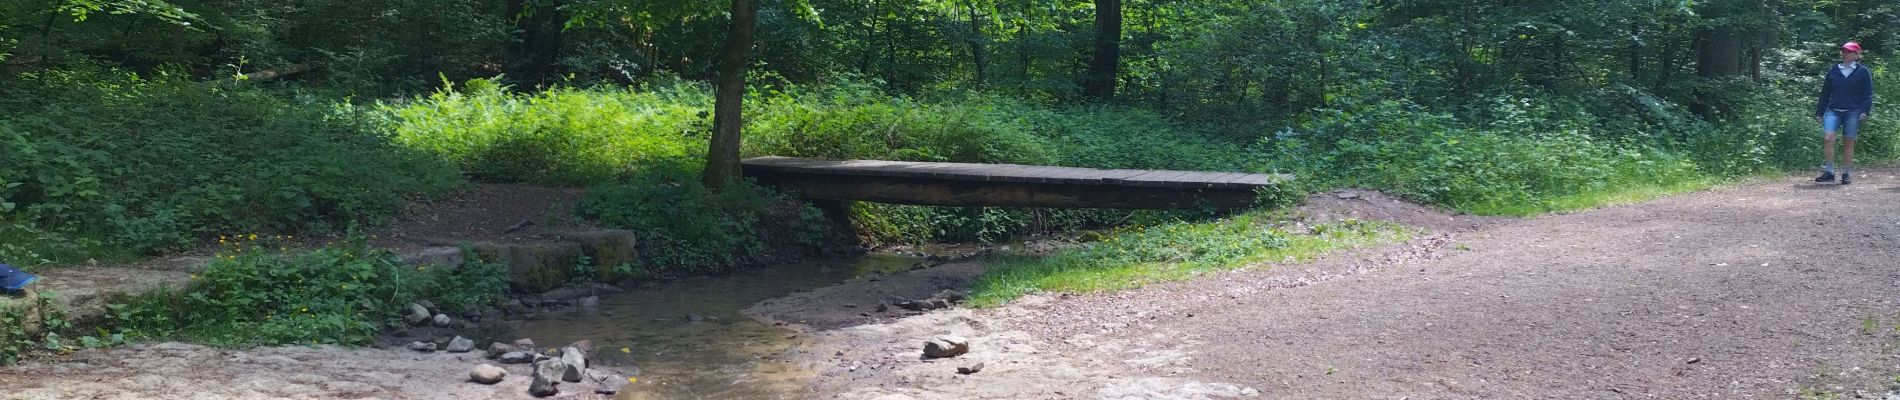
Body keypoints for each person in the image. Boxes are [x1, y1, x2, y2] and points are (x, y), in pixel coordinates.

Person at [1815, 41, 1876, 185]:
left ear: (1856, 55)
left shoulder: (1863, 71)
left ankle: (1846, 173)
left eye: (1848, 52)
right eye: (1843, 51)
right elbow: (1825, 93)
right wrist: (1819, 112)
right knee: (1828, 137)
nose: (1845, 54)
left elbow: (1868, 94)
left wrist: (1865, 111)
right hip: (1833, 110)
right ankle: (1829, 171)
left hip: (1853, 112)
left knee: (1849, 141)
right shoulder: (1834, 70)